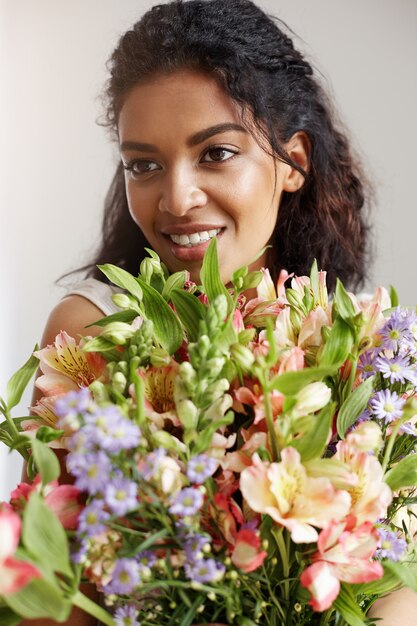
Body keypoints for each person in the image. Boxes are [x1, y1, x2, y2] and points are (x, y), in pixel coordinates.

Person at [23, 0, 416, 624]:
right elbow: (44, 592)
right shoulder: (88, 336)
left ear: (293, 163)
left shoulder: (359, 343)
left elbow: (399, 571)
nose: (176, 197)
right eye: (143, 165)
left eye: (217, 153)